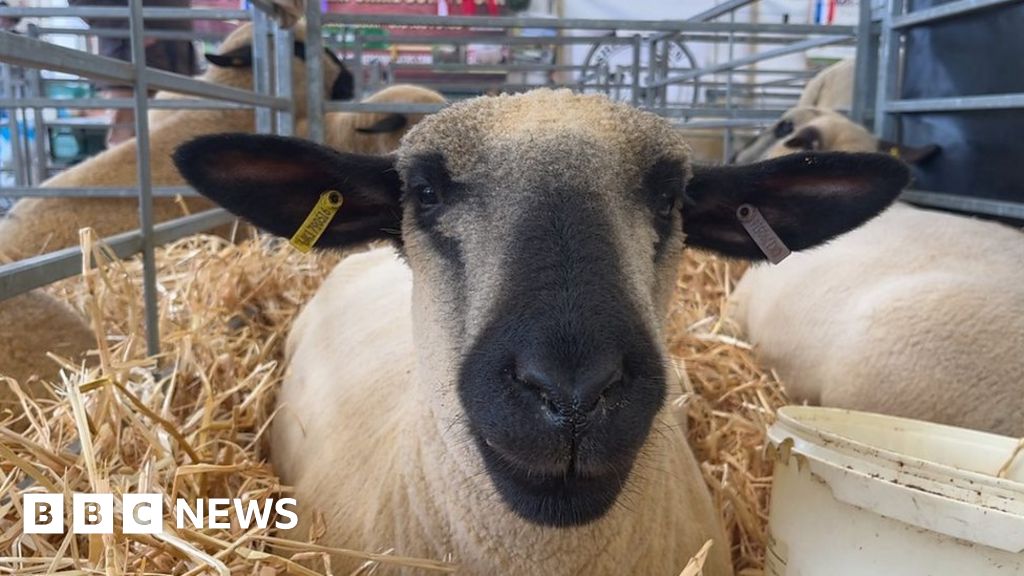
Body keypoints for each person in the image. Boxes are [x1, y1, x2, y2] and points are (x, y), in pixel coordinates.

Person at [68, 0, 199, 146]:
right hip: (130, 55)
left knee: (176, 133)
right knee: (127, 132)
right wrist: (129, 27)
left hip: (177, 56)